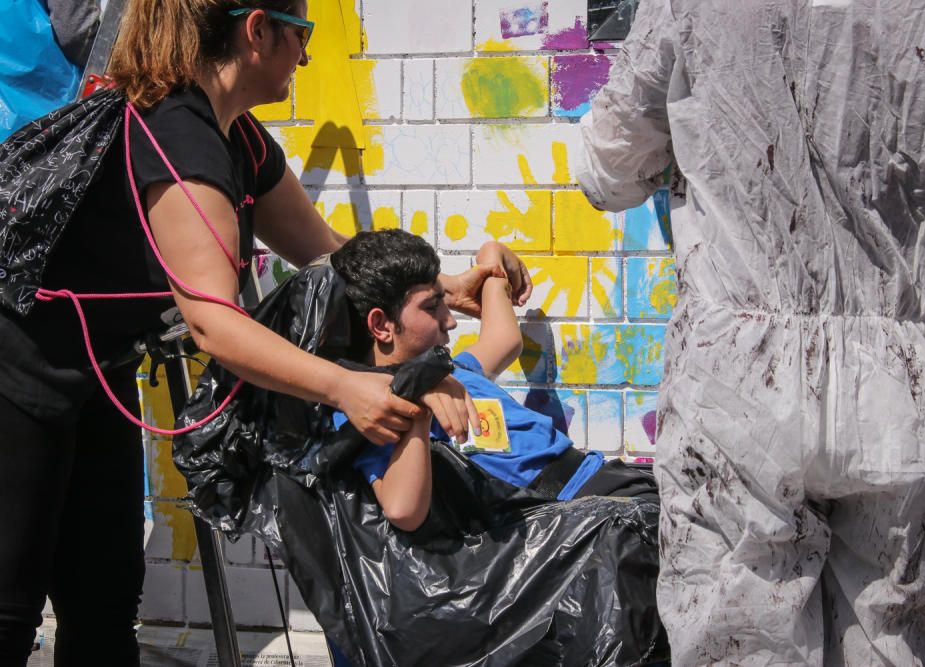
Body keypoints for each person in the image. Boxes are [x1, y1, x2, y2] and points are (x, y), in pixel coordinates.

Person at [0, 2, 530, 665]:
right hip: (18, 363)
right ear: (257, 30)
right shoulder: (178, 135)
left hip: (96, 371)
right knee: (9, 605)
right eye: (301, 34)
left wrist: (447, 286)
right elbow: (213, 322)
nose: (306, 55)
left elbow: (330, 252)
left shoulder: (236, 138)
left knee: (104, 604)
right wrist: (345, 386)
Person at [576, 0, 925, 664]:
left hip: (739, 386)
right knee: (900, 647)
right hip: (907, 384)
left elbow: (606, 169)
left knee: (738, 645)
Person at [331, 230, 657, 532]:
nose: (450, 321)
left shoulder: (455, 370)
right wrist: (417, 401)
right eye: (433, 307)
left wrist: (492, 261)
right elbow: (402, 510)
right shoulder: (369, 406)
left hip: (608, 484)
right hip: (575, 519)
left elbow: (503, 340)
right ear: (381, 326)